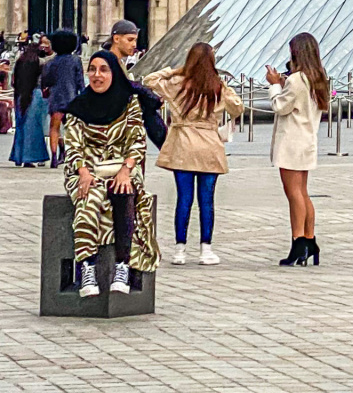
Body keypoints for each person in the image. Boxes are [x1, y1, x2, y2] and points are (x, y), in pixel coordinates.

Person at [62, 52, 159, 297]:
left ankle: (122, 266)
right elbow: (73, 145)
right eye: (92, 69)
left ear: (114, 73)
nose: (97, 75)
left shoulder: (129, 103)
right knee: (89, 198)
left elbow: (137, 141)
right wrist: (83, 172)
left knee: (124, 188)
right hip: (86, 169)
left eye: (104, 69)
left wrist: (126, 170)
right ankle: (87, 267)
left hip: (121, 166)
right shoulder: (78, 107)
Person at [141, 43, 244, 266]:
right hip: (209, 145)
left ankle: (180, 250)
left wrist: (173, 71)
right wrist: (225, 88)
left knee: (184, 198)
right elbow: (237, 108)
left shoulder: (177, 83)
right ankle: (206, 249)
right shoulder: (218, 85)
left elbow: (148, 80)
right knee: (206, 200)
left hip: (183, 144)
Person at [265, 33, 330, 266]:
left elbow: (279, 106)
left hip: (292, 143)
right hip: (308, 141)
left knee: (293, 195)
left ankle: (298, 243)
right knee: (303, 193)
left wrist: (274, 85)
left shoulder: (296, 80)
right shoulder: (318, 78)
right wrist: (283, 84)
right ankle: (310, 240)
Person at [109, 21, 165, 151]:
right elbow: (125, 85)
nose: (134, 45)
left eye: (135, 40)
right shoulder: (108, 60)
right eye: (130, 40)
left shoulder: (117, 61)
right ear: (116, 39)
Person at [40, 32, 86, 168]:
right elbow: (80, 81)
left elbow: (46, 81)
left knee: (54, 128)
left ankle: (54, 156)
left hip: (56, 97)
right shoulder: (75, 60)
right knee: (71, 129)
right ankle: (72, 155)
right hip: (71, 97)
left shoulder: (50, 63)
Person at [8, 45, 50, 167]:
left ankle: (18, 156)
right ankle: (30, 157)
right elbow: (45, 80)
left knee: (21, 127)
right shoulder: (41, 62)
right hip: (35, 94)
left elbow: (13, 81)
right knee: (34, 128)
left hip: (20, 95)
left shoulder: (19, 61)